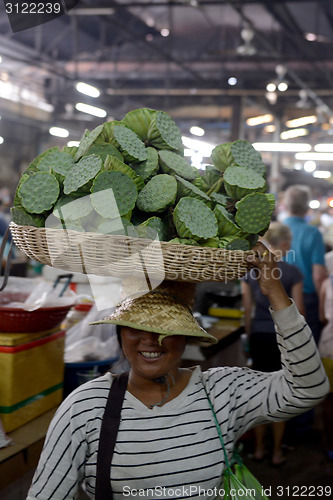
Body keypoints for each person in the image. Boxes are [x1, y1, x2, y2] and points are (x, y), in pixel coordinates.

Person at [26, 243, 329, 500]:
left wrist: (275, 293)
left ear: (186, 336)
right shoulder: (85, 407)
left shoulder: (223, 391)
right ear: (119, 333)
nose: (149, 339)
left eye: (166, 328)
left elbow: (309, 389)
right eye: (135, 327)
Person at [241, 222, 304, 466]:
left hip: (259, 336)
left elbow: (248, 310)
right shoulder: (293, 272)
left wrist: (248, 336)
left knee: (259, 392)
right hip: (283, 338)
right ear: (285, 244)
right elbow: (298, 311)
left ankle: (258, 450)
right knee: (281, 394)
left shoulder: (252, 271)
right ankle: (277, 452)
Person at [282, 184, 327, 344]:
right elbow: (318, 275)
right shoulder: (313, 233)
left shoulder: (275, 230)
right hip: (307, 300)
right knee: (305, 354)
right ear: (307, 206)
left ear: (285, 205)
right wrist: (323, 307)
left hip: (277, 297)